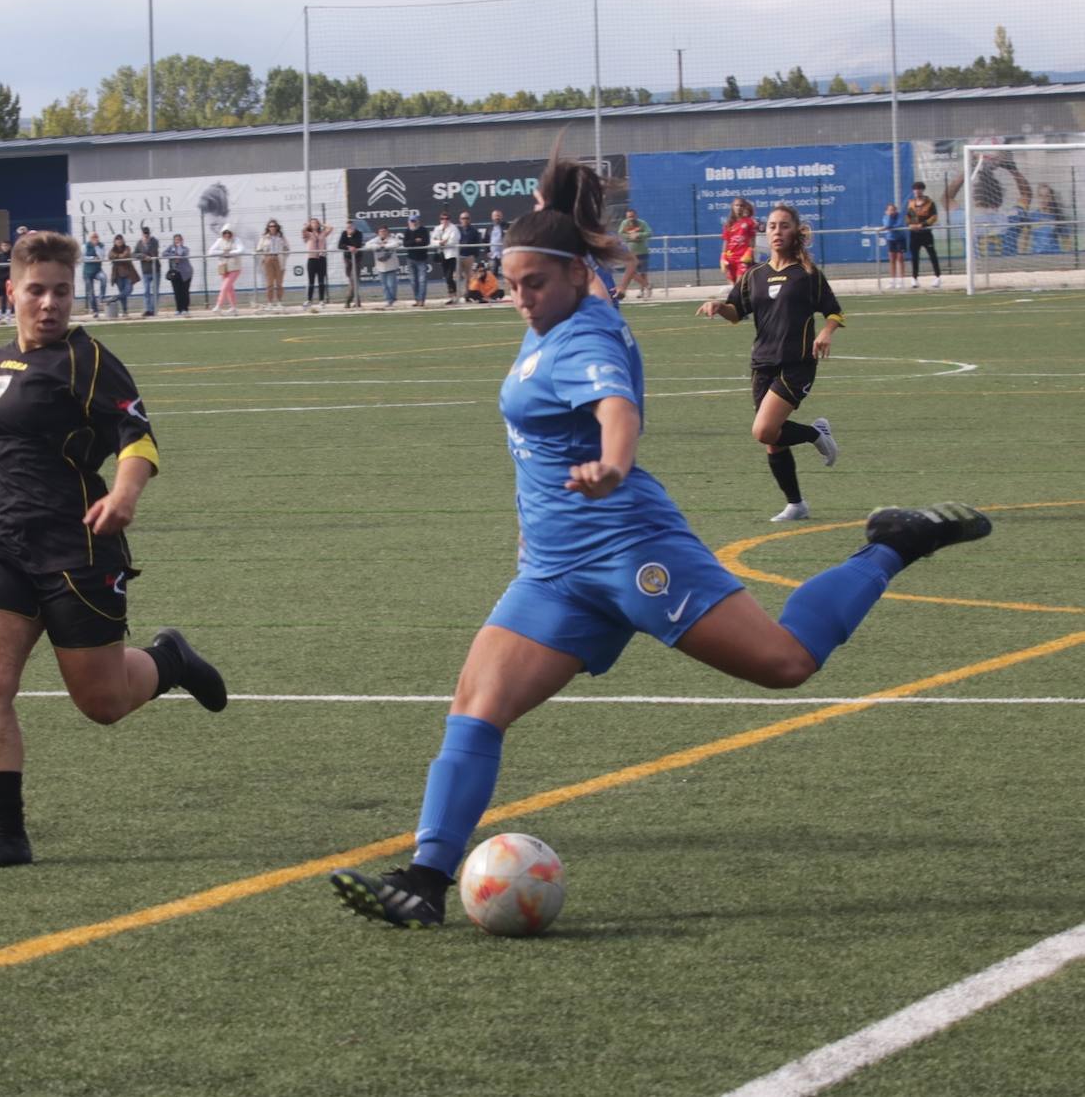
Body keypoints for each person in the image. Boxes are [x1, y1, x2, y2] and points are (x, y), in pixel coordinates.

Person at [328, 145, 992, 929]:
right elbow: (566, 256)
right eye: (511, 284)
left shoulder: (587, 340)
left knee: (785, 663)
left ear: (577, 277)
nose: (520, 298)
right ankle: (424, 880)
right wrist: (561, 207)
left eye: (533, 282)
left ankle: (891, 544)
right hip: (551, 571)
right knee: (476, 706)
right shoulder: (575, 294)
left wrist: (612, 465)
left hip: (630, 550)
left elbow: (618, 412)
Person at [0, 230, 228, 872]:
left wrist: (125, 493)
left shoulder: (88, 360)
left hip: (78, 549)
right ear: (11, 291)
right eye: (37, 290)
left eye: (62, 292)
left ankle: (170, 660)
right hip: (0, 548)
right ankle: (5, 837)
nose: (50, 303)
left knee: (101, 704)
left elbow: (140, 437)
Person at [696, 204, 842, 522]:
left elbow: (834, 310)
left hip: (797, 363)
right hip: (762, 363)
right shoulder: (754, 276)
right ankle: (796, 504)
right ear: (765, 232)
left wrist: (827, 332)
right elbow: (737, 311)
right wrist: (719, 307)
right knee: (773, 442)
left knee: (764, 430)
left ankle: (817, 435)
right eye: (772, 226)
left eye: (784, 226)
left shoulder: (808, 275)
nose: (777, 231)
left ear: (796, 231)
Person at [905, 181, 942, 288]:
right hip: (914, 234)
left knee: (932, 255)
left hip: (926, 233)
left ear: (922, 190)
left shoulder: (930, 203)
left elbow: (934, 217)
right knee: (915, 256)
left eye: (919, 189)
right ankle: (914, 278)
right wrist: (910, 224)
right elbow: (908, 217)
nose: (916, 191)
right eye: (915, 189)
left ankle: (937, 277)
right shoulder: (911, 203)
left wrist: (923, 224)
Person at [207, 226, 244, 316]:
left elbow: (241, 250)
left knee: (224, 287)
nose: (227, 235)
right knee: (229, 289)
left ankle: (218, 306)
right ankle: (234, 308)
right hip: (224, 267)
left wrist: (230, 252)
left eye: (229, 233)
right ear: (222, 233)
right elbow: (211, 252)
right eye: (225, 233)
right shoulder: (219, 240)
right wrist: (223, 252)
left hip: (235, 267)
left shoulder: (236, 240)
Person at [616, 208, 653, 299]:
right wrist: (630, 236)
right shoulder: (624, 224)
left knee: (643, 273)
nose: (631, 218)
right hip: (630, 253)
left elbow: (649, 232)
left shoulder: (642, 223)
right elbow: (620, 234)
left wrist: (639, 235)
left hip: (642, 251)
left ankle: (643, 291)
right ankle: (647, 286)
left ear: (636, 216)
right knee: (631, 272)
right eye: (629, 217)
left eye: (632, 216)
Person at [720, 197, 758, 284]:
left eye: (741, 205)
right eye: (736, 205)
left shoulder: (749, 222)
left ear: (744, 207)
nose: (739, 207)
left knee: (739, 283)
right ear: (732, 207)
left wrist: (750, 251)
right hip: (730, 258)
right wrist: (723, 256)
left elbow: (752, 240)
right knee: (733, 285)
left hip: (743, 258)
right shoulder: (729, 224)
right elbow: (726, 241)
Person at [256, 219, 290, 311]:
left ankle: (279, 302)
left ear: (277, 227)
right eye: (270, 226)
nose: (272, 228)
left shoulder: (281, 237)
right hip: (268, 259)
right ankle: (270, 303)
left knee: (279, 283)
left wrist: (283, 257)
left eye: (274, 226)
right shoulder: (264, 237)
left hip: (279, 260)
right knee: (270, 283)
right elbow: (259, 249)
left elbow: (287, 249)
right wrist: (264, 258)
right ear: (268, 227)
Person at [364, 225, 401, 307]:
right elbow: (367, 245)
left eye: (384, 231)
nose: (382, 233)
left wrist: (384, 246)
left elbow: (397, 244)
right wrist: (378, 246)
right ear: (378, 233)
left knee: (391, 285)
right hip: (380, 266)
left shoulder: (392, 239)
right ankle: (389, 301)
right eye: (381, 232)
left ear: (387, 232)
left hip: (391, 266)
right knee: (384, 286)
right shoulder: (376, 240)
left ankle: (392, 299)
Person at [431, 210, 460, 303]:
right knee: (446, 276)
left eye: (446, 218)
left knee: (449, 276)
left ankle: (454, 296)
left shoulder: (453, 228)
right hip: (442, 254)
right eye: (442, 219)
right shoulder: (437, 228)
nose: (444, 220)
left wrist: (441, 242)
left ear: (449, 219)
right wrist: (440, 242)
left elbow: (453, 241)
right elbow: (432, 241)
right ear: (440, 220)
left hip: (451, 255)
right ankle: (451, 296)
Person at [401, 214, 431, 306]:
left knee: (422, 280)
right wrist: (415, 241)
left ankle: (421, 300)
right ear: (408, 222)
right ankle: (417, 299)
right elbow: (405, 244)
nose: (413, 223)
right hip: (411, 258)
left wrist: (416, 242)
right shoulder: (407, 231)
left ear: (418, 221)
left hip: (422, 258)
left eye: (414, 221)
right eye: (411, 221)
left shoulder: (423, 230)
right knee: (413, 281)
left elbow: (426, 241)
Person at [302, 218, 332, 306]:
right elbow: (303, 231)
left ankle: (321, 300)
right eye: (313, 223)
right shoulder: (309, 234)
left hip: (321, 258)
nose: (314, 224)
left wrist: (322, 224)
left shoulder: (322, 233)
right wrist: (308, 225)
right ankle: (309, 300)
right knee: (311, 280)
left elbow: (330, 228)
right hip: (312, 259)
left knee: (321, 280)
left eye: (316, 223)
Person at [133, 225, 160, 316]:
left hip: (155, 269)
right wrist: (143, 256)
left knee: (155, 291)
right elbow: (134, 254)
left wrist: (147, 245)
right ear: (142, 234)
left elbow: (154, 252)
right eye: (144, 234)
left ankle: (153, 309)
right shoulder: (139, 243)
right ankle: (147, 309)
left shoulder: (154, 241)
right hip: (145, 271)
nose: (146, 235)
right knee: (146, 291)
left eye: (147, 234)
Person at [108, 233, 137, 316]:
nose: (119, 241)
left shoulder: (127, 248)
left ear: (123, 240)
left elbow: (126, 255)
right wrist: (119, 256)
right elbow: (110, 256)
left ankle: (115, 298)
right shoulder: (112, 249)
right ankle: (125, 311)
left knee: (129, 290)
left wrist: (117, 257)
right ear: (114, 241)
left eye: (120, 239)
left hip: (128, 274)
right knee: (122, 293)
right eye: (117, 239)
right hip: (118, 275)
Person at [338, 219, 366, 308]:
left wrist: (350, 236)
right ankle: (357, 301)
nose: (349, 229)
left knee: (354, 280)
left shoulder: (359, 233)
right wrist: (348, 246)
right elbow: (340, 245)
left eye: (351, 227)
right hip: (347, 259)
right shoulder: (344, 233)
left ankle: (348, 301)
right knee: (351, 280)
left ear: (354, 227)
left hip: (356, 259)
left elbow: (357, 245)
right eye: (347, 227)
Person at [881, 203, 908, 288]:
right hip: (891, 239)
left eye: (893, 210)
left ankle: (901, 280)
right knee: (892, 259)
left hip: (900, 239)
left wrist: (890, 227)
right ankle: (892, 280)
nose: (891, 211)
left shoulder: (899, 216)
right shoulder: (885, 217)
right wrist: (889, 217)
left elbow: (898, 225)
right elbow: (887, 225)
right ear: (886, 211)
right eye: (889, 210)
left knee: (900, 259)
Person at [165, 233, 193, 317]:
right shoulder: (171, 248)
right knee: (177, 292)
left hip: (185, 273)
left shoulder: (185, 248)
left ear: (182, 240)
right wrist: (173, 256)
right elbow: (164, 254)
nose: (177, 241)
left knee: (185, 291)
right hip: (175, 273)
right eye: (176, 240)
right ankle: (178, 309)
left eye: (179, 240)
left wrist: (178, 251)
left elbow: (182, 254)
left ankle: (185, 309)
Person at [456, 211, 483, 291]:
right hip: (458, 256)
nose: (465, 220)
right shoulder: (456, 230)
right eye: (463, 218)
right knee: (456, 277)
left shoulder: (474, 230)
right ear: (460, 219)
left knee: (469, 277)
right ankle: (456, 296)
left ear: (469, 219)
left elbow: (477, 243)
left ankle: (467, 295)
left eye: (467, 218)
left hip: (469, 257)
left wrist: (474, 255)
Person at [82, 232, 107, 317]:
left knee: (104, 278)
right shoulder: (85, 246)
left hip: (97, 270)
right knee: (91, 293)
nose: (95, 239)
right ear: (90, 238)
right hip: (87, 272)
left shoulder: (101, 246)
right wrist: (92, 258)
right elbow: (82, 257)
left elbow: (102, 257)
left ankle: (101, 298)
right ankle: (95, 311)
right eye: (93, 237)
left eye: (96, 237)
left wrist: (96, 247)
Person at [486, 209, 508, 277]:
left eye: (498, 216)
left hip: (504, 254)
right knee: (492, 276)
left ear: (502, 217)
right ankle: (494, 288)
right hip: (493, 255)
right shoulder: (489, 228)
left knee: (507, 274)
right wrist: (487, 251)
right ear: (492, 217)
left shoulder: (507, 226)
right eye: (495, 216)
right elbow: (485, 240)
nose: (497, 218)